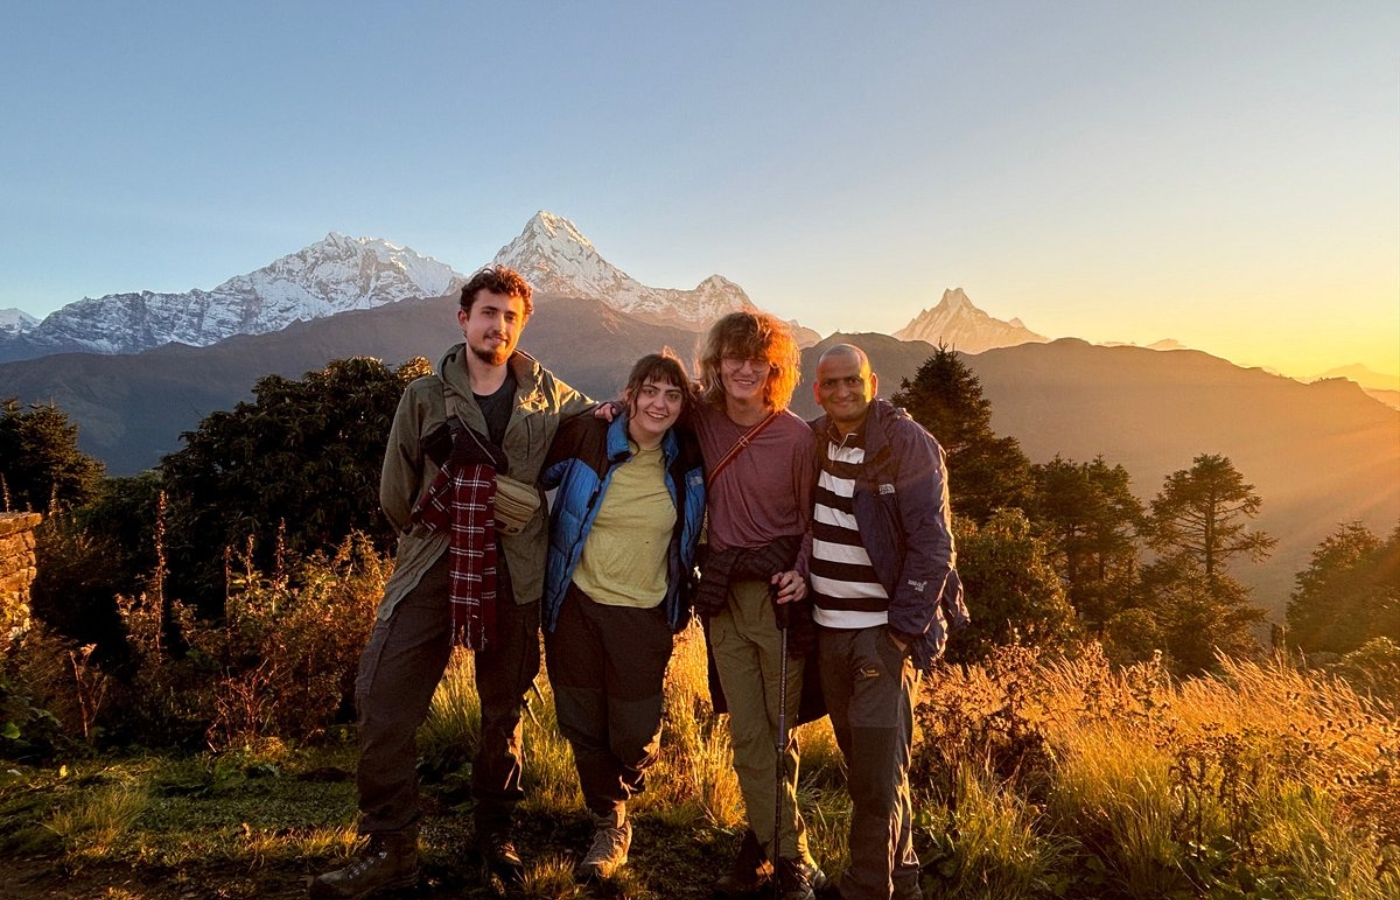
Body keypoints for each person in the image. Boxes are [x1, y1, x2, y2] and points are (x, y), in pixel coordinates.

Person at [311, 265, 597, 900]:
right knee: (384, 697)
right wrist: (445, 531)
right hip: (433, 565)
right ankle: (391, 845)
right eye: (488, 312)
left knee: (503, 710)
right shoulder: (422, 397)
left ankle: (495, 831)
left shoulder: (550, 395)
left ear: (522, 326)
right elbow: (395, 492)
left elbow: (601, 422)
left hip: (515, 572)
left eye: (510, 317)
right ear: (463, 318)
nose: (498, 326)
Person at [807, 344, 968, 900]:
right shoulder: (814, 440)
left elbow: (933, 543)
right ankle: (902, 878)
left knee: (875, 777)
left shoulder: (908, 444)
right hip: (830, 630)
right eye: (832, 384)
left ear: (873, 383)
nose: (844, 391)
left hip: (881, 638)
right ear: (817, 391)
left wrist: (902, 630)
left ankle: (866, 888)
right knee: (868, 768)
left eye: (854, 381)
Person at [538, 350, 705, 881]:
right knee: (581, 722)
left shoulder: (688, 460)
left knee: (632, 733)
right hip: (578, 604)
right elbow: (535, 461)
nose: (659, 403)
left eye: (672, 395)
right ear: (629, 393)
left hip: (645, 613)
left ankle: (622, 784)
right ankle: (610, 822)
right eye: (649, 390)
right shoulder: (589, 436)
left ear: (683, 406)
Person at [692, 311, 827, 900]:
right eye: (734, 358)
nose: (745, 369)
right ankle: (780, 852)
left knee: (774, 735)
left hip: (778, 602)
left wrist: (802, 574)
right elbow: (650, 406)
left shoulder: (796, 436)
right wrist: (611, 409)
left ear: (775, 368)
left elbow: (811, 521)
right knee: (751, 735)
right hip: (721, 598)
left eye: (758, 360)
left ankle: (786, 859)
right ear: (718, 363)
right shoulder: (701, 419)